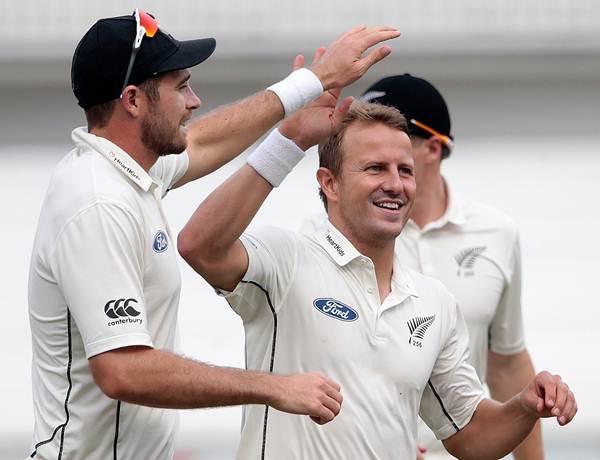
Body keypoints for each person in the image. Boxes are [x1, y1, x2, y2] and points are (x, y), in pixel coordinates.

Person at [27, 8, 400, 459]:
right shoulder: (99, 201)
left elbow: (203, 141)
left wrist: (297, 121)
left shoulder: (122, 171)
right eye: (180, 86)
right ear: (132, 100)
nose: (194, 101)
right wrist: (272, 387)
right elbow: (122, 371)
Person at [178, 97, 577, 459]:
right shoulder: (287, 259)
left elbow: (470, 436)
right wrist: (289, 140)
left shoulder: (433, 302)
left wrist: (524, 407)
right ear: (329, 183)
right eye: (375, 168)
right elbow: (199, 245)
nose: (395, 184)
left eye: (405, 170)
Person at [361, 74, 542, 460]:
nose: (371, 147)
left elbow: (508, 364)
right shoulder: (340, 235)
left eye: (392, 136)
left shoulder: (497, 232)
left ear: (433, 148)